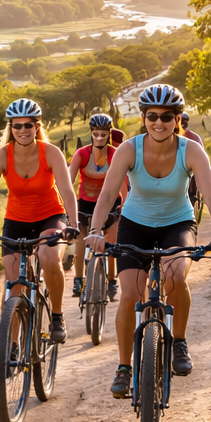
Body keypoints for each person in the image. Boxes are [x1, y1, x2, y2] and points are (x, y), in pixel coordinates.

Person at [86, 85, 211, 397]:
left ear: (177, 119)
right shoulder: (129, 150)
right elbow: (108, 194)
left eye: (167, 117)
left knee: (176, 276)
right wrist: (96, 230)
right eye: (152, 116)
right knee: (130, 294)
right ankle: (124, 367)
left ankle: (179, 341)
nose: (159, 122)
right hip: (134, 225)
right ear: (143, 118)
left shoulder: (191, 151)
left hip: (177, 224)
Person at [0, 99, 78, 348]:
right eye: (17, 126)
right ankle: (12, 345)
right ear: (11, 128)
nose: (22, 130)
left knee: (48, 256)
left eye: (28, 125)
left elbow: (66, 190)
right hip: (16, 221)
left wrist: (73, 223)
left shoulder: (51, 153)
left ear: (37, 126)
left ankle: (57, 316)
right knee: (15, 283)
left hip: (51, 216)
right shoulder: (1, 156)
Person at [69, 113, 127, 302]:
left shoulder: (115, 154)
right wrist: (66, 205)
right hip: (85, 205)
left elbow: (123, 183)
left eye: (104, 134)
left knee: (111, 242)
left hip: (111, 204)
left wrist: (125, 206)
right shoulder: (82, 154)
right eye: (96, 134)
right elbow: (69, 181)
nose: (100, 138)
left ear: (109, 133)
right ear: (91, 133)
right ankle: (78, 279)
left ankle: (112, 280)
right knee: (80, 241)